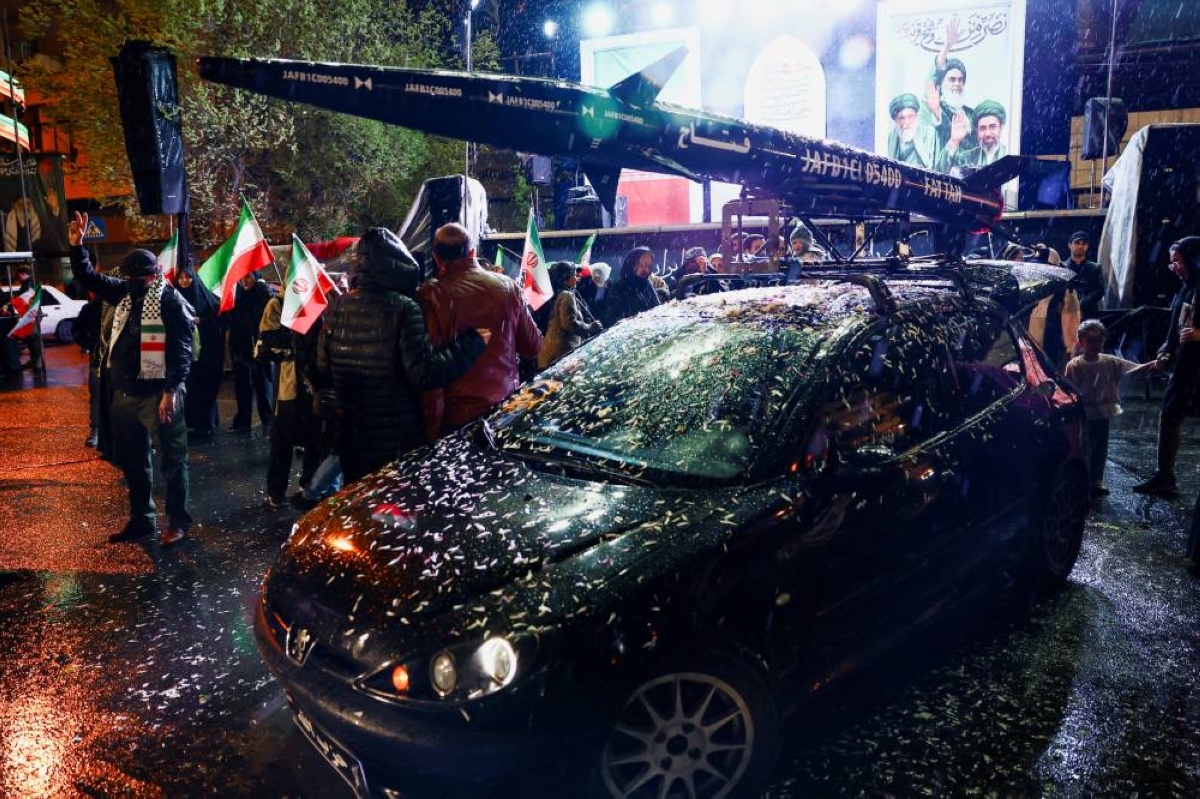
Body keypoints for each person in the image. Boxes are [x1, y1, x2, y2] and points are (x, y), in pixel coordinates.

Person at [68, 211, 195, 546]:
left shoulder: (170, 301)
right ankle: (142, 522)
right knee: (134, 464)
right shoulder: (124, 294)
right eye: (131, 278)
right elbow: (90, 279)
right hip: (125, 394)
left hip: (159, 395)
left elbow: (182, 352)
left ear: (156, 275)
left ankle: (178, 523)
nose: (136, 282)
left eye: (141, 278)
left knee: (172, 461)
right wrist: (76, 246)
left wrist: (170, 391)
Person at [322, 226, 486, 481]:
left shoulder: (338, 307)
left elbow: (322, 368)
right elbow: (424, 373)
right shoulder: (404, 308)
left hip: (351, 438)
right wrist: (471, 344)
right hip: (395, 440)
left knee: (359, 509)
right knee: (395, 511)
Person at [418, 223, 542, 438]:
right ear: (473, 251)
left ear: (435, 257)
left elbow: (431, 374)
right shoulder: (507, 286)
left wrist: (431, 432)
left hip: (456, 421)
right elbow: (533, 347)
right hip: (504, 412)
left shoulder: (430, 294)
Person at [1134, 237, 1200, 496]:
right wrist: (1165, 351)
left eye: (1178, 262)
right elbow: (1176, 326)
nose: (1174, 268)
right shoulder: (1186, 288)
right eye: (1172, 263)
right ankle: (1165, 475)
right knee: (1170, 414)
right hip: (1185, 365)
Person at [1064, 320, 1153, 495]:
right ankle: (1082, 479)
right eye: (1090, 341)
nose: (1095, 345)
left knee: (1100, 447)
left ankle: (1096, 480)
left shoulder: (1110, 361)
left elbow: (1132, 368)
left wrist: (1151, 365)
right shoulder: (1075, 365)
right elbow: (1069, 389)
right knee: (1083, 446)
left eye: (1099, 340)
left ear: (1104, 341)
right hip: (1084, 413)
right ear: (1081, 342)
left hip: (1102, 412)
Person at [259, 294, 322, 508]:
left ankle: (309, 484)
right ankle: (276, 490)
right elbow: (267, 340)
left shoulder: (321, 299)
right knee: (282, 438)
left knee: (315, 435)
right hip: (288, 383)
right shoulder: (277, 303)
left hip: (316, 380)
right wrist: (298, 337)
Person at [174, 261, 224, 437]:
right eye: (181, 277)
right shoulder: (174, 296)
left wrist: (201, 321)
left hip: (206, 352)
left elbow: (218, 318)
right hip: (185, 352)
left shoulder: (205, 297)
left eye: (187, 276)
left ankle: (207, 421)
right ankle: (191, 421)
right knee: (189, 387)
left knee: (205, 385)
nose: (184, 280)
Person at [227, 270, 275, 432]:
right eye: (241, 277)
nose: (244, 281)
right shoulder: (239, 294)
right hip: (240, 348)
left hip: (257, 348)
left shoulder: (262, 293)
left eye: (247, 277)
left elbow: (254, 318)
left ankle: (268, 423)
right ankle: (243, 421)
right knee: (242, 386)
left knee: (262, 387)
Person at [538, 262, 603, 368]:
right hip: (560, 354)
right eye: (574, 274)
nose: (577, 276)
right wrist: (590, 327)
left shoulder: (561, 294)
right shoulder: (567, 296)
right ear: (565, 279)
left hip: (552, 354)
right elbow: (569, 324)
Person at [599, 247, 661, 327]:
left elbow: (657, 310)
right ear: (632, 264)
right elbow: (613, 321)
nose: (645, 269)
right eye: (642, 265)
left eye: (649, 266)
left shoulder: (648, 286)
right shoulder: (618, 288)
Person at [944, 99, 1006, 171]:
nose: (988, 133)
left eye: (992, 127)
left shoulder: (1009, 155)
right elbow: (941, 172)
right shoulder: (968, 158)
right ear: (977, 130)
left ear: (1001, 127)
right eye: (983, 128)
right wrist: (954, 140)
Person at [887, 93, 937, 169]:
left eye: (910, 116)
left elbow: (930, 165)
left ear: (916, 115)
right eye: (902, 118)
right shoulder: (892, 137)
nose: (906, 122)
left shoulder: (928, 132)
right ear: (896, 120)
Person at [1064, 230, 1104, 320]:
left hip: (1089, 313)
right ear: (1069, 245)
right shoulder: (1062, 267)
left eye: (1083, 244)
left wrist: (1081, 306)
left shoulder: (1095, 267)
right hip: (1067, 313)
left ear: (1087, 246)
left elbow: (1099, 291)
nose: (1080, 246)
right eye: (1077, 243)